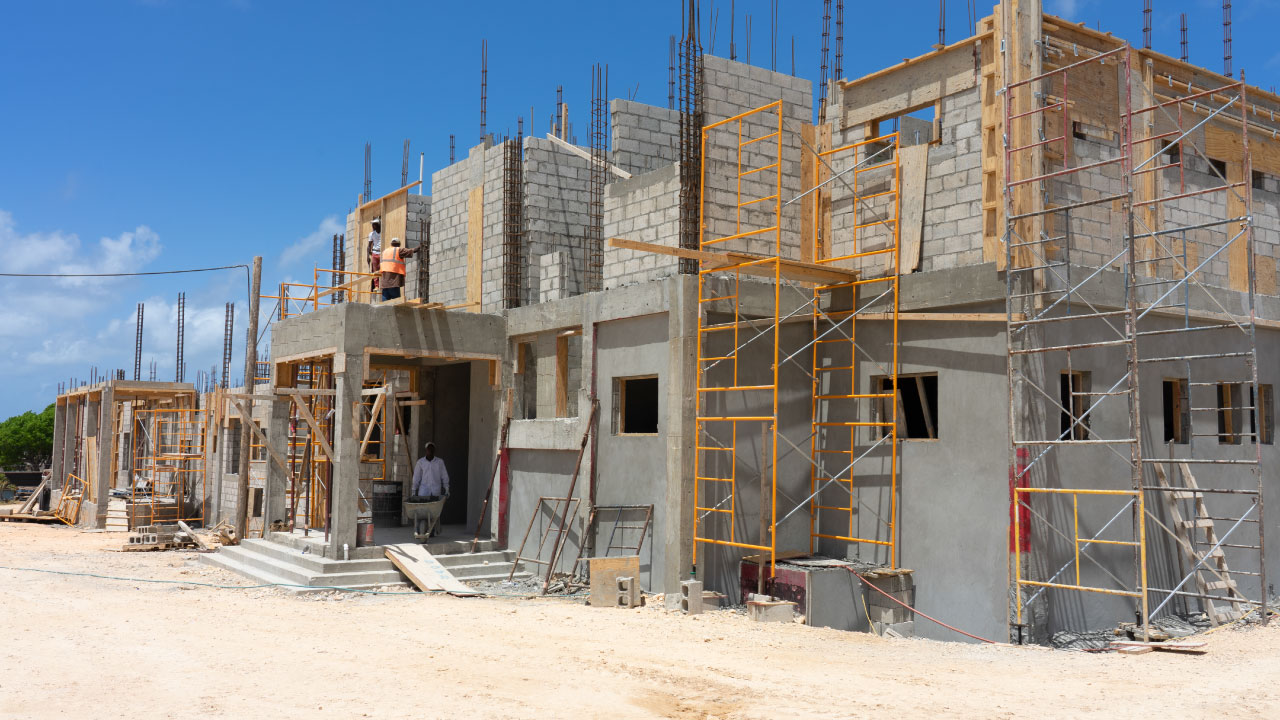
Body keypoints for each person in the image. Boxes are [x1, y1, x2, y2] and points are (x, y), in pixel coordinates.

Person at [410, 442, 450, 536]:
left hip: (435, 490)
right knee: (422, 512)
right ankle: (422, 528)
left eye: (432, 449)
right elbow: (416, 477)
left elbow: (444, 475)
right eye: (429, 449)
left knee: (433, 512)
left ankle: (431, 529)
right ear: (426, 450)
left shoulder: (439, 462)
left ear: (434, 451)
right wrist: (413, 490)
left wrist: (447, 488)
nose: (430, 451)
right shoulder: (421, 462)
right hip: (424, 491)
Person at [378, 237, 418, 301]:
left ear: (391, 244)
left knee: (384, 304)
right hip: (393, 281)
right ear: (399, 244)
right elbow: (411, 251)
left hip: (384, 282)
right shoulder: (398, 250)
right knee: (397, 303)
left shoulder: (384, 252)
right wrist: (420, 247)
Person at [367, 219, 382, 294]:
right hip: (375, 253)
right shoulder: (372, 234)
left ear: (377, 225)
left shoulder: (383, 232)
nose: (372, 226)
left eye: (373, 225)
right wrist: (367, 256)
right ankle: (376, 286)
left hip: (382, 253)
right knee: (375, 270)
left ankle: (382, 284)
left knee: (382, 269)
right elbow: (369, 246)